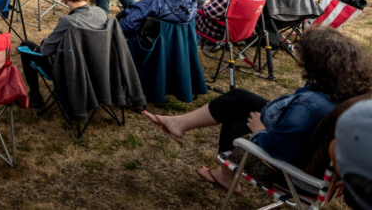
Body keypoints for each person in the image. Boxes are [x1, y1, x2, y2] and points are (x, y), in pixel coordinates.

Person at [144, 28, 372, 193]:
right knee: (239, 97)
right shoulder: (343, 87)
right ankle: (179, 124)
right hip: (294, 137)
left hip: (284, 168)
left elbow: (277, 151)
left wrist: (259, 130)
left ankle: (225, 177)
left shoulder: (309, 106)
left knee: (237, 121)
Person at [19, 0, 107, 108]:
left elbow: (45, 51)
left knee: (26, 45)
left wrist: (45, 42)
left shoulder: (68, 21)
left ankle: (35, 96)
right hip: (99, 68)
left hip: (71, 71)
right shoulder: (101, 12)